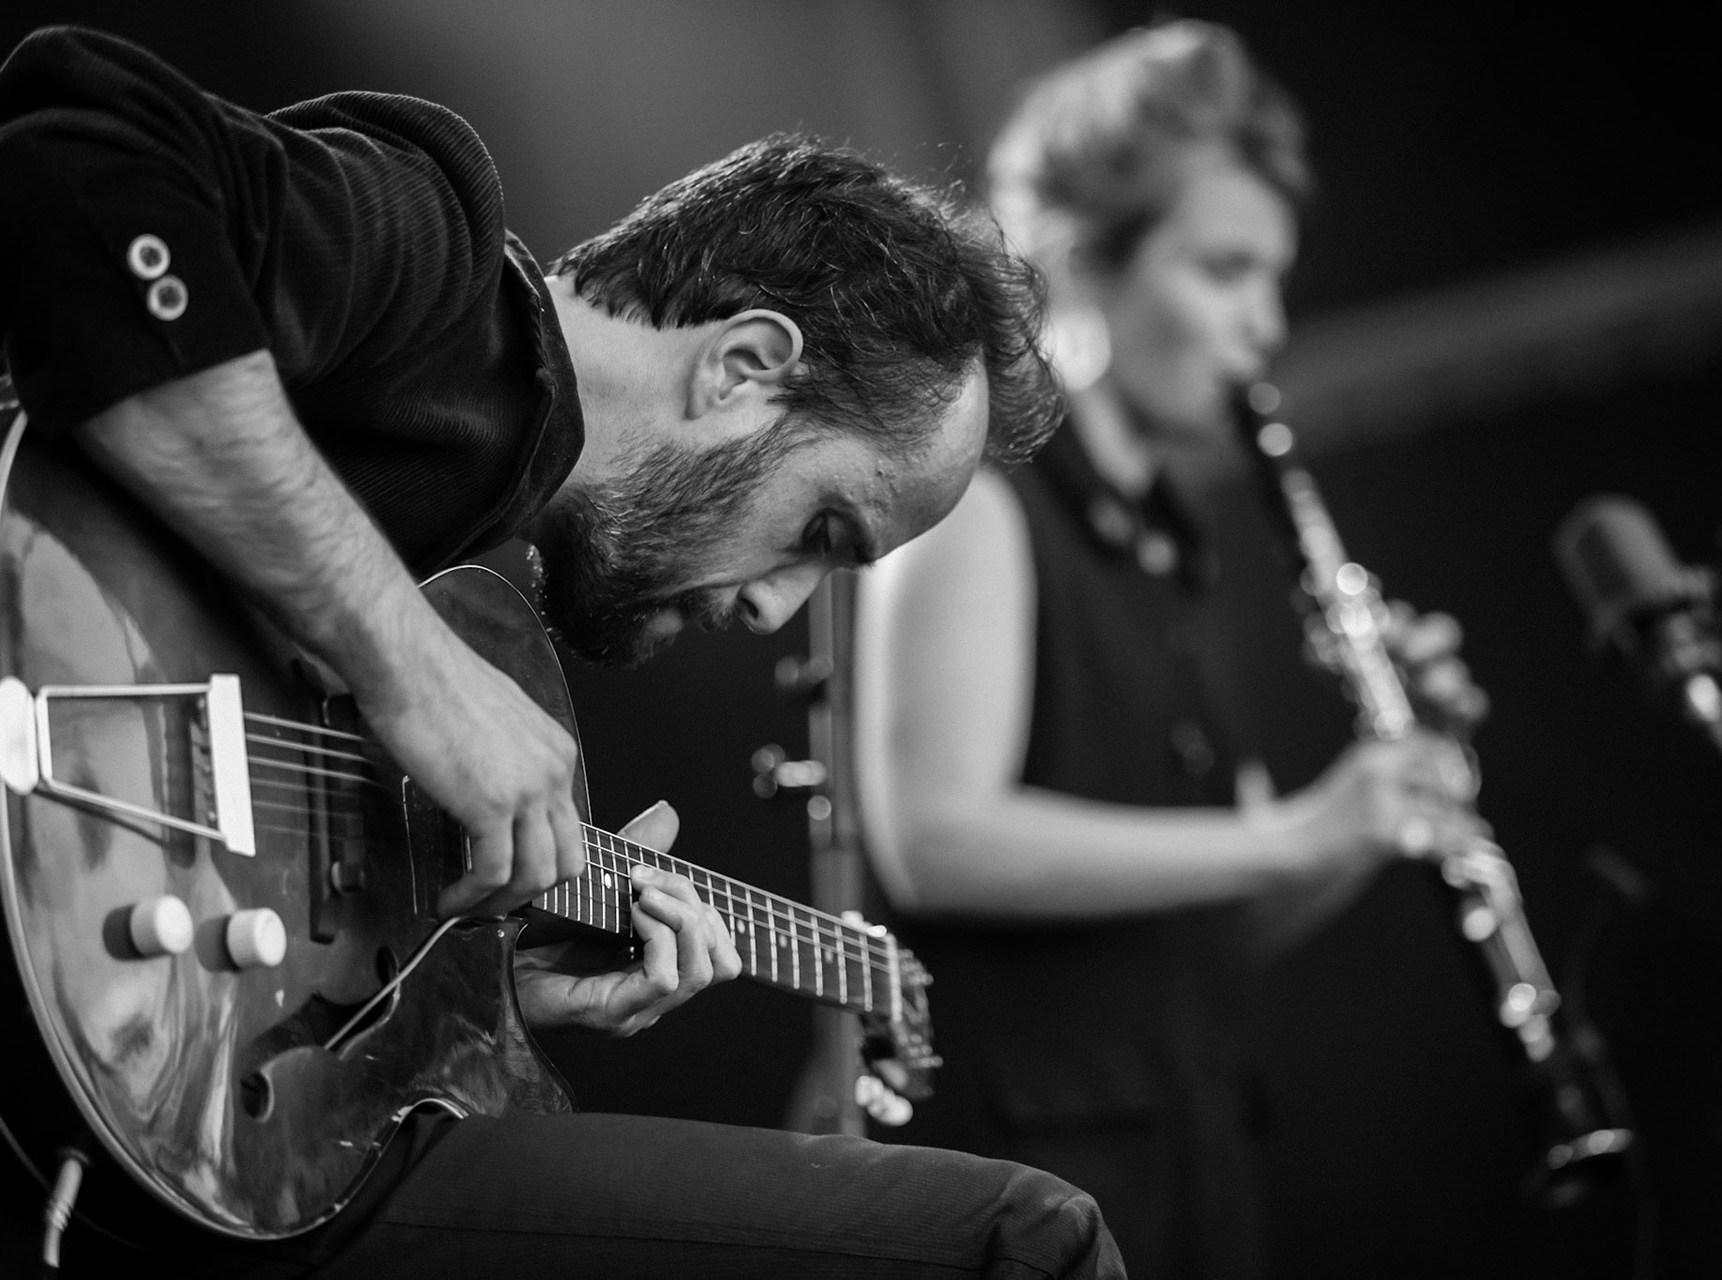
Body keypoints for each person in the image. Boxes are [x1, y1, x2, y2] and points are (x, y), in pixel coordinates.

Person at [0, 23, 1125, 1278]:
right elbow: (74, 162)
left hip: (141, 1117)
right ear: (745, 367)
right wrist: (411, 668)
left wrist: (471, 996)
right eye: (821, 529)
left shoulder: (497, 564)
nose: (772, 612)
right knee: (1025, 1240)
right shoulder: (434, 254)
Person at [854, 21, 1490, 1279]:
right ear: (1084, 266)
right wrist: (1300, 828)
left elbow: (1225, 916)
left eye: (1273, 277)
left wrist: (1393, 796)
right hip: (1015, 1189)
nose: (1264, 324)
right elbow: (931, 836)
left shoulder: (1168, 546)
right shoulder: (984, 500)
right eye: (1224, 270)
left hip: (1187, 1167)